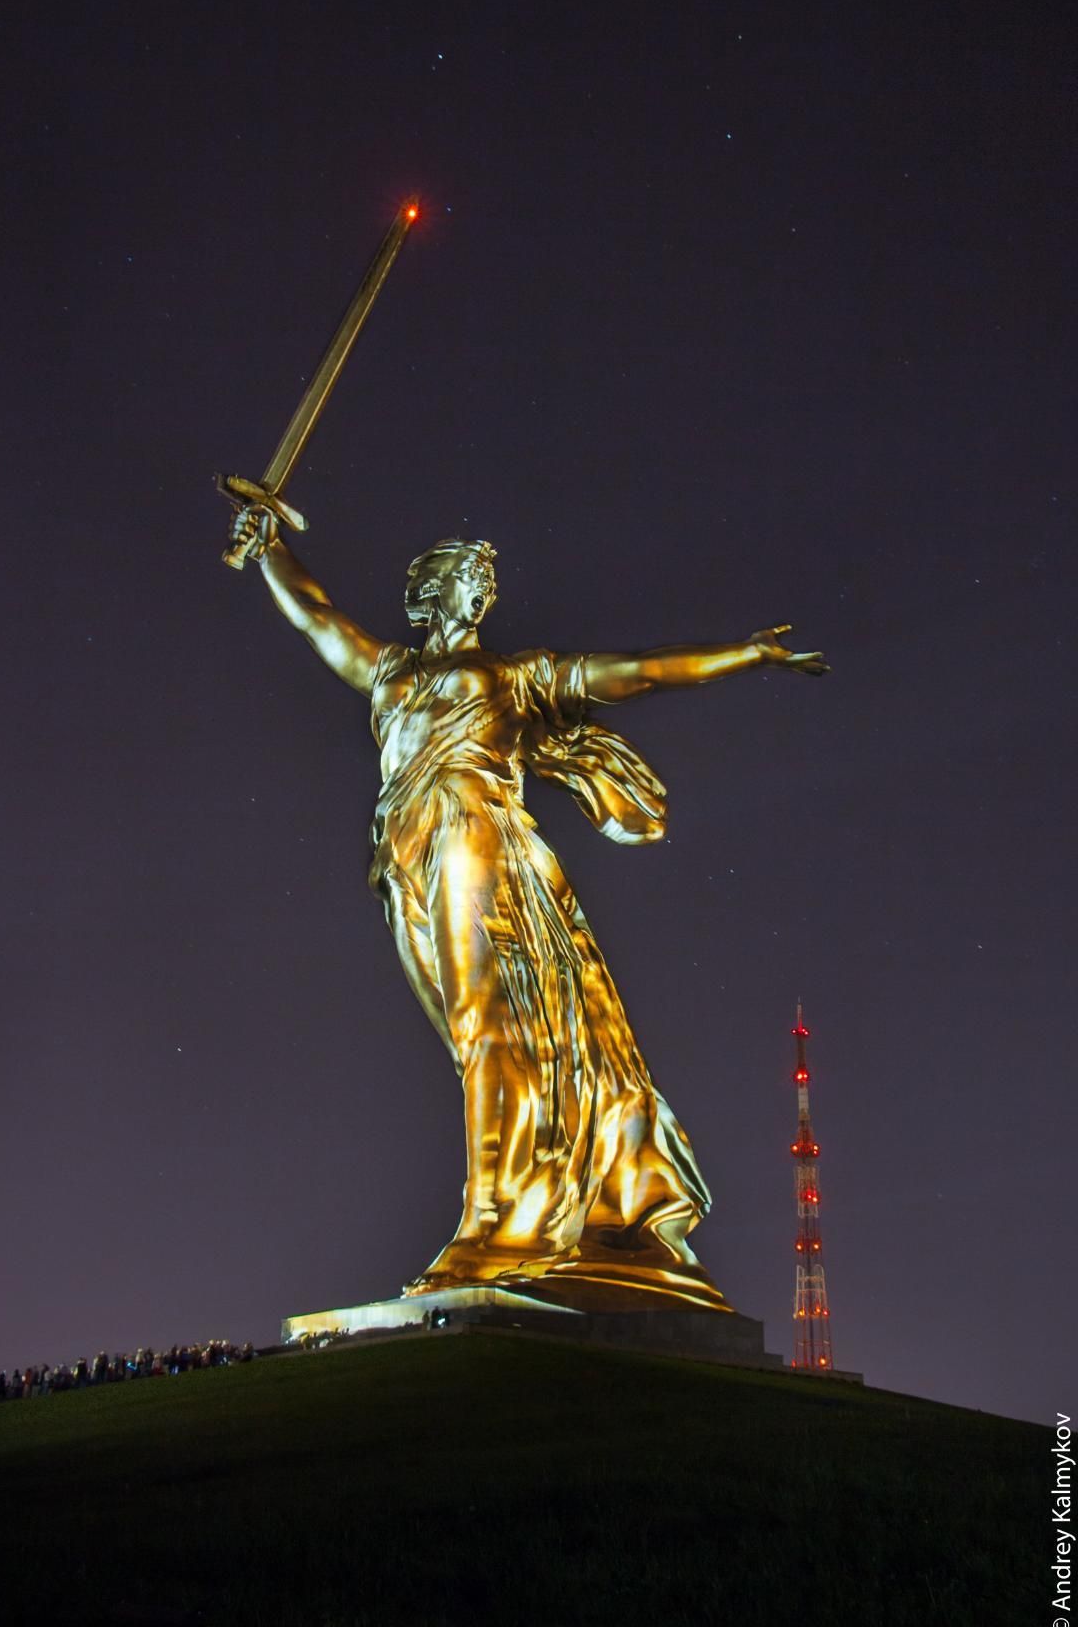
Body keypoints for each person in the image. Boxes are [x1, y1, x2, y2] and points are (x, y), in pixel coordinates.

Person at [230, 512, 827, 1305]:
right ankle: (522, 1204)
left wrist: (744, 655)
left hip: (480, 844)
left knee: (489, 1028)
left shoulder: (515, 677)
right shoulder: (391, 674)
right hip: (407, 860)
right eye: (469, 580)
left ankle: (497, 1223)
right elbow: (315, 616)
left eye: (489, 583)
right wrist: (269, 544)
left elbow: (639, 672)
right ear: (429, 595)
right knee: (470, 1035)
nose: (485, 591)